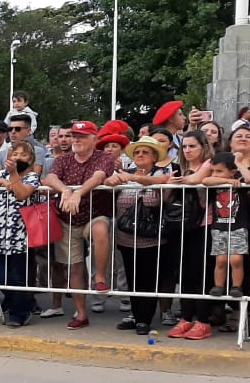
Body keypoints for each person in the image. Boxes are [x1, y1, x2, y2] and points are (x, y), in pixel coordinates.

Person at [42, 120, 117, 329]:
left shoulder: (104, 157)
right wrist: (66, 190)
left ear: (94, 139)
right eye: (74, 136)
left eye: (82, 136)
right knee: (75, 267)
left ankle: (100, 276)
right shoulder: (63, 159)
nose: (76, 140)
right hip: (68, 218)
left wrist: (78, 193)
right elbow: (51, 177)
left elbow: (98, 176)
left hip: (95, 213)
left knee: (100, 229)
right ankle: (81, 314)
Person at [108, 136, 170, 334]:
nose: (140, 155)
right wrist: (111, 180)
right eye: (137, 152)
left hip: (152, 238)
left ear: (154, 157)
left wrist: (133, 178)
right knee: (132, 277)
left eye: (145, 152)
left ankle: (145, 319)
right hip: (126, 237)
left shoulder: (161, 172)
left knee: (148, 279)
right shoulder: (125, 172)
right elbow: (108, 183)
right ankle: (136, 315)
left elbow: (162, 182)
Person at [0, 140, 42, 326]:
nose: (18, 158)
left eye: (23, 155)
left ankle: (20, 313)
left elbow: (22, 194)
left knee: (18, 276)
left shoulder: (32, 177)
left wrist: (13, 175)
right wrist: (1, 180)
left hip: (20, 234)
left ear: (31, 159)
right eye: (15, 154)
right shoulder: (3, 174)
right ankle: (16, 301)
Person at [167, 132, 216, 341]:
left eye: (192, 146)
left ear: (203, 147)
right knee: (185, 273)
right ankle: (186, 317)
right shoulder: (179, 167)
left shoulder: (209, 163)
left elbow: (197, 179)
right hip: (183, 225)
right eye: (184, 146)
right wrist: (171, 181)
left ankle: (203, 320)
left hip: (204, 224)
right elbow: (168, 190)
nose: (187, 150)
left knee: (202, 273)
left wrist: (175, 180)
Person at [202, 152, 247, 300]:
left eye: (219, 171)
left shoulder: (240, 181)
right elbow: (205, 180)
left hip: (238, 226)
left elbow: (248, 178)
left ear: (232, 172)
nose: (215, 174)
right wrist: (226, 181)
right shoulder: (216, 183)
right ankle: (218, 286)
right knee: (220, 259)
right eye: (213, 170)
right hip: (219, 227)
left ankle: (236, 286)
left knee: (236, 259)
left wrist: (239, 163)